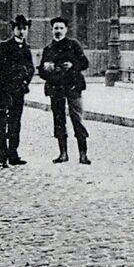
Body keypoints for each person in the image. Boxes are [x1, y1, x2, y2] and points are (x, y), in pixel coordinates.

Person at [38, 17, 91, 164]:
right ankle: (63, 153)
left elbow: (85, 63)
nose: (58, 31)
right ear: (51, 30)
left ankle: (83, 154)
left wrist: (72, 65)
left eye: (61, 28)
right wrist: (46, 68)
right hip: (56, 88)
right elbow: (41, 72)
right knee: (59, 120)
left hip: (73, 86)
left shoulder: (74, 45)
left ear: (66, 30)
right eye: (56, 28)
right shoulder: (48, 49)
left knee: (77, 118)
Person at [0, 15, 35, 168]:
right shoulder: (5, 46)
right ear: (13, 29)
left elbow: (31, 68)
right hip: (4, 90)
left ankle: (13, 154)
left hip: (19, 91)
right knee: (2, 123)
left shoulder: (27, 49)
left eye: (24, 29)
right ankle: (2, 155)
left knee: (15, 123)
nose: (21, 32)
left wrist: (24, 81)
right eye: (19, 28)